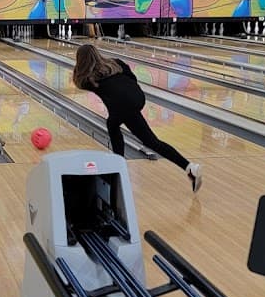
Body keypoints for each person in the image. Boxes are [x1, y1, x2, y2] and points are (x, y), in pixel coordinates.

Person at [72, 43, 202, 192]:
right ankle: (190, 167)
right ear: (97, 53)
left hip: (121, 105)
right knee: (150, 141)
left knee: (112, 126)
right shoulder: (116, 63)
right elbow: (132, 78)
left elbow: (79, 82)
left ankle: (118, 168)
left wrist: (79, 68)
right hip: (137, 97)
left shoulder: (87, 78)